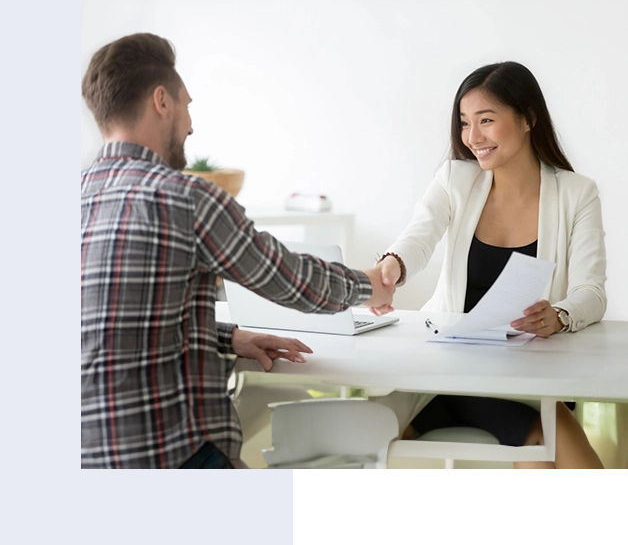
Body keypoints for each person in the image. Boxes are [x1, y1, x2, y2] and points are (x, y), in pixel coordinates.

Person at [80, 32, 395, 470]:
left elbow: (107, 325)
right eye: (187, 104)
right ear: (161, 101)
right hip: (170, 456)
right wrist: (370, 285)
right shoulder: (184, 197)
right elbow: (289, 279)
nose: (191, 124)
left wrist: (227, 337)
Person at [374, 61, 626, 545]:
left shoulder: (576, 193)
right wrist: (393, 265)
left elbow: (592, 291)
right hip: (446, 376)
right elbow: (417, 238)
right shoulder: (456, 179)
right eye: (465, 122)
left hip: (526, 377)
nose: (473, 135)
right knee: (554, 463)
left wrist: (561, 313)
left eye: (486, 119)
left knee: (581, 480)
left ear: (528, 118)